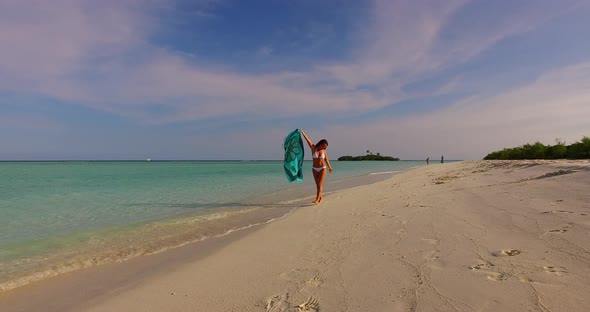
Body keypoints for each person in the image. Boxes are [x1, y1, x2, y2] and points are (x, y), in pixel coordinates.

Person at [300, 130, 333, 204]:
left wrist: (330, 167)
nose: (325, 147)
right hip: (314, 169)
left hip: (322, 168)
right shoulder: (313, 148)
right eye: (324, 146)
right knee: (317, 184)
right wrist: (302, 133)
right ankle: (320, 197)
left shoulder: (324, 151)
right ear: (321, 143)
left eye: (326, 147)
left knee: (319, 184)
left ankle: (317, 199)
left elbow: (326, 160)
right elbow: (307, 140)